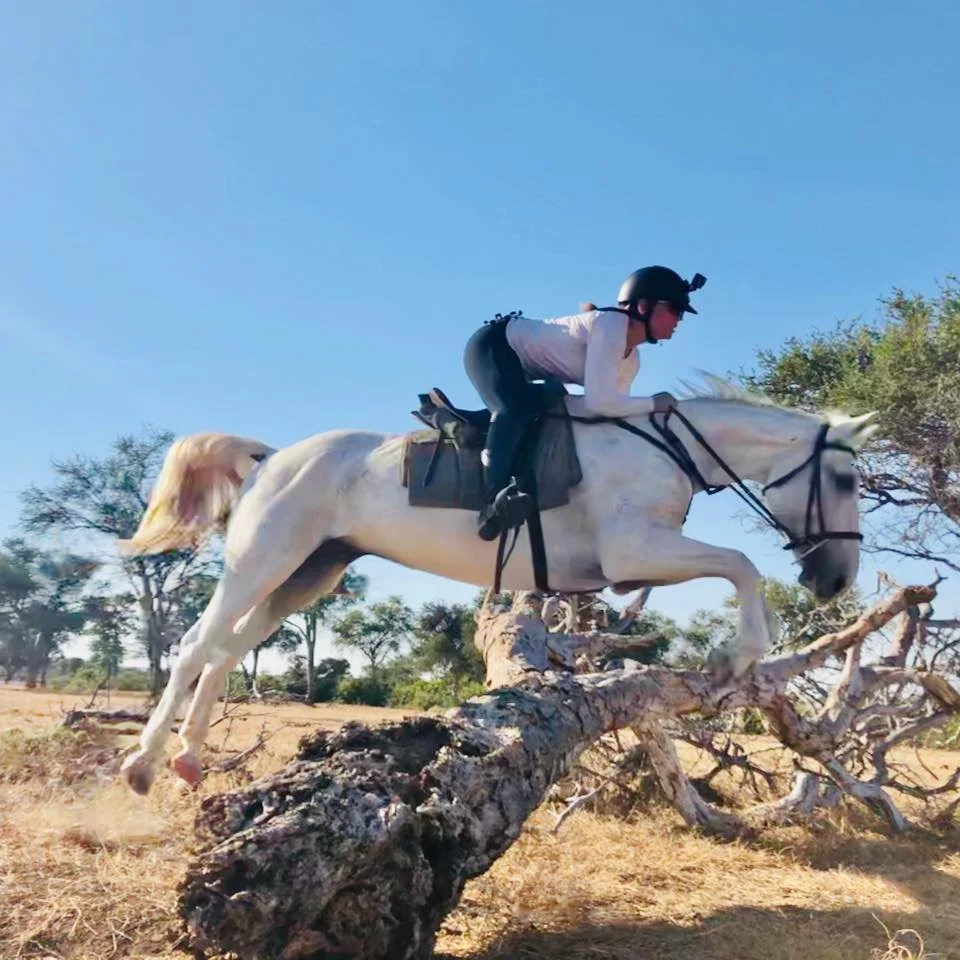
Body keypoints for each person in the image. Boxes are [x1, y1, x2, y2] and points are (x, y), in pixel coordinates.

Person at [463, 265, 706, 541]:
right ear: (643, 306)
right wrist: (654, 404)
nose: (679, 319)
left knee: (557, 400)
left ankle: (464, 422)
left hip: (522, 371)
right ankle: (491, 504)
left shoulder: (632, 361)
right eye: (675, 309)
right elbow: (602, 403)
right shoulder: (610, 325)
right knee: (514, 408)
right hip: (492, 345)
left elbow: (609, 415)